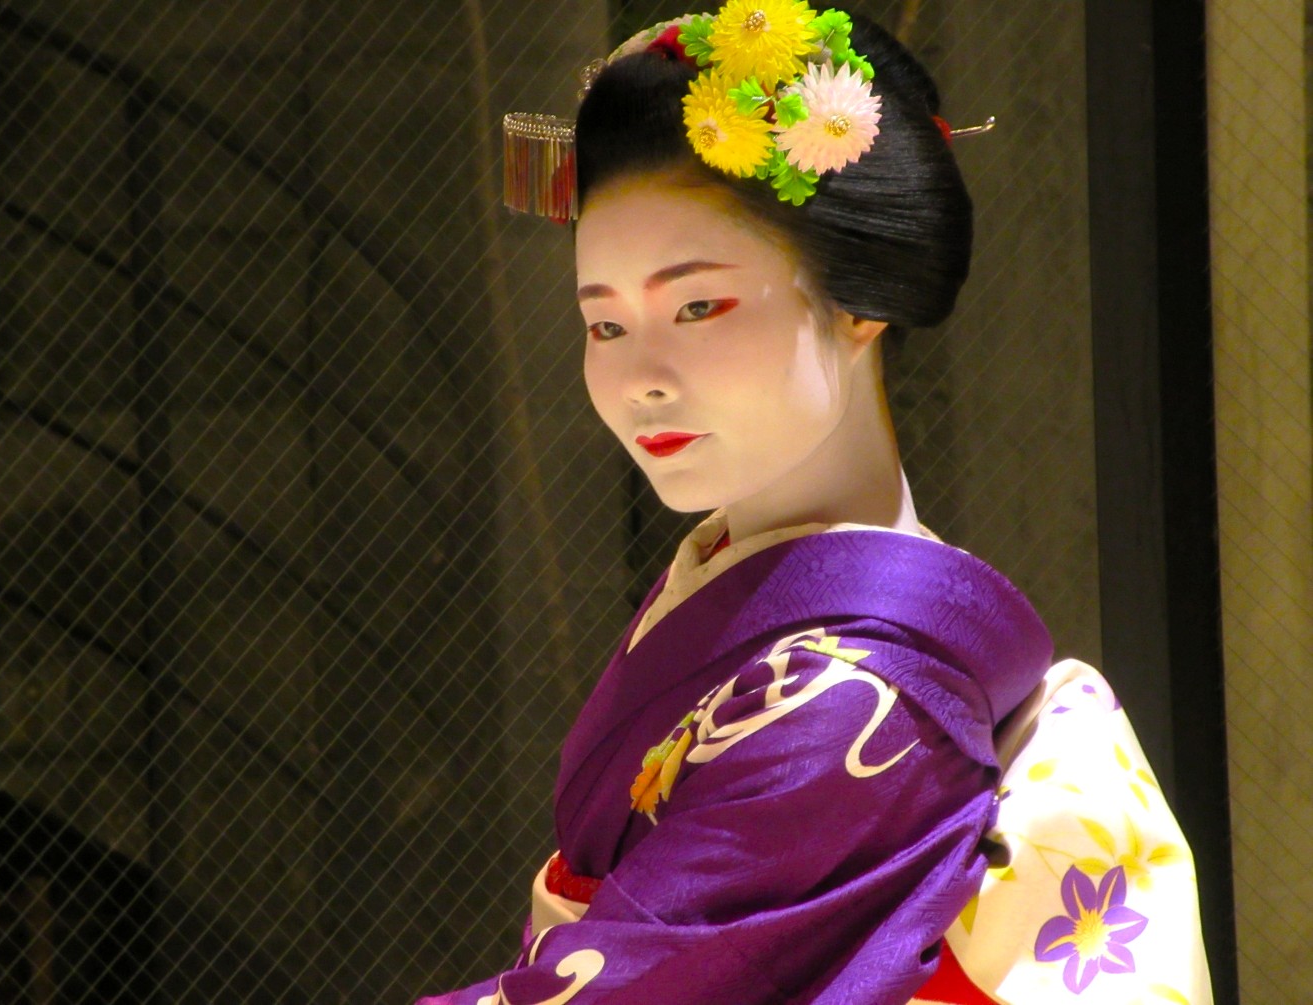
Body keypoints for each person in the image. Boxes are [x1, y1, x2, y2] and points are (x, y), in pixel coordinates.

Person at [419, 5, 1211, 1003]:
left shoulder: (852, 698)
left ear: (856, 299)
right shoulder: (752, 602)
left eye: (697, 305)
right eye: (605, 324)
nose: (639, 379)